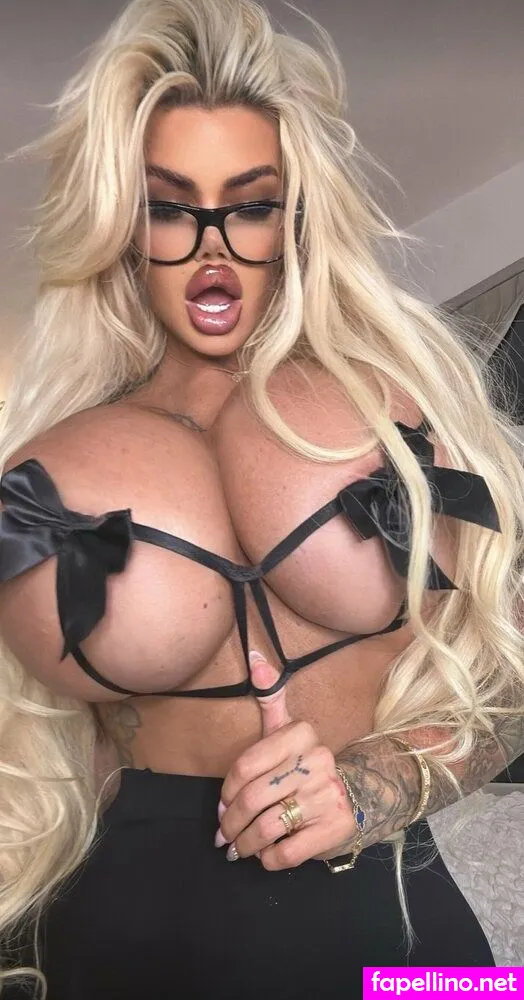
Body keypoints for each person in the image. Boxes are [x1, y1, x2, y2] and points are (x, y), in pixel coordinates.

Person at [0, 1, 523, 997]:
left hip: (398, 943)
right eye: (169, 206)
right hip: (126, 940)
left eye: (248, 204)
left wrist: (376, 784)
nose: (212, 247)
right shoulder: (49, 468)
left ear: (294, 217)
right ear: (124, 225)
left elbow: (504, 684)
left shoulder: (400, 412)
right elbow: (48, 739)